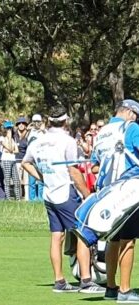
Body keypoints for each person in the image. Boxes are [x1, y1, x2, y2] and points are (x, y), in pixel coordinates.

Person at [22, 104, 105, 294]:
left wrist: (42, 177)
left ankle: (59, 281)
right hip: (65, 192)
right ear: (65, 121)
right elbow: (74, 171)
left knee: (56, 236)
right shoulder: (67, 141)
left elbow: (25, 163)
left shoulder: (37, 141)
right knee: (84, 233)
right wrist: (87, 194)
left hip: (49, 193)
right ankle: (86, 280)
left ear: (49, 121)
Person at [91, 99, 139, 302]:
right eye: (136, 114)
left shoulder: (102, 132)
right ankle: (125, 291)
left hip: (107, 193)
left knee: (113, 239)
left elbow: (94, 165)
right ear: (129, 113)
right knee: (128, 241)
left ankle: (111, 287)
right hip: (128, 190)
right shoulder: (131, 127)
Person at [0, 121, 21, 200]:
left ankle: (18, 198)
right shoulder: (2, 138)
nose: (9, 130)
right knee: (7, 180)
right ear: (5, 129)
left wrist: (11, 150)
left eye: (10, 128)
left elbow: (16, 150)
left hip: (13, 160)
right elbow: (9, 147)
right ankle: (8, 198)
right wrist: (8, 138)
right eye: (8, 128)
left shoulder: (13, 138)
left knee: (16, 180)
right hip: (6, 160)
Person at [27, 114, 45, 201]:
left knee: (41, 181)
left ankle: (41, 199)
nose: (36, 124)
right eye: (35, 122)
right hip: (31, 159)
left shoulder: (44, 132)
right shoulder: (30, 132)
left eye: (38, 122)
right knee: (32, 181)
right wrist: (28, 128)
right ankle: (32, 199)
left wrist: (44, 130)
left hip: (41, 159)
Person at [14, 117, 29, 199]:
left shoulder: (28, 135)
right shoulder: (14, 135)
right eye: (19, 123)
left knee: (26, 181)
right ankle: (18, 197)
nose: (21, 125)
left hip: (26, 161)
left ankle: (27, 198)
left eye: (23, 123)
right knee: (18, 180)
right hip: (16, 161)